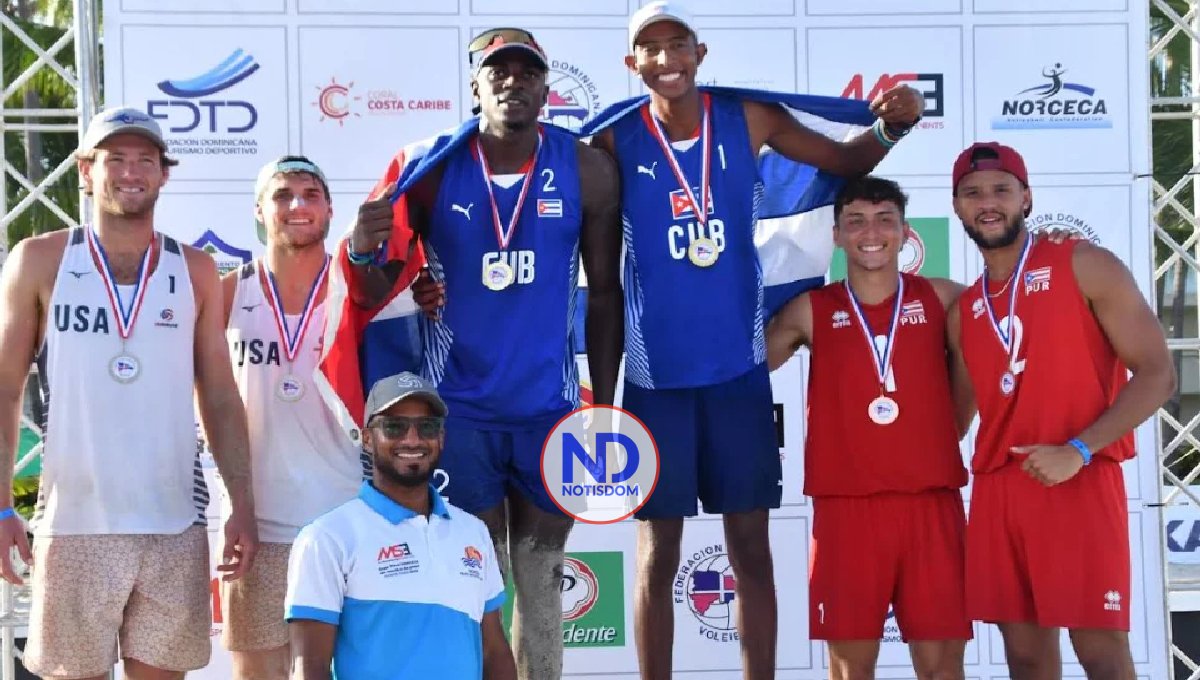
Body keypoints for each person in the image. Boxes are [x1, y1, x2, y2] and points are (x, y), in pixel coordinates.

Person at [577, 3, 924, 677]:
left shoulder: (750, 119)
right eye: (651, 49)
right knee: (658, 556)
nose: (667, 58)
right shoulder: (614, 142)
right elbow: (589, 264)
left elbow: (846, 160)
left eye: (678, 44)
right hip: (656, 383)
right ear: (632, 65)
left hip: (738, 373)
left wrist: (892, 126)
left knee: (751, 552)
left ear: (700, 52)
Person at [341, 27, 623, 680]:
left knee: (544, 582)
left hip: (549, 409)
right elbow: (379, 287)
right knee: (476, 584)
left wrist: (604, 409)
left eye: (526, 72)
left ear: (546, 87)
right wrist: (362, 249)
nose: (512, 82)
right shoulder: (434, 167)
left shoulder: (586, 168)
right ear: (476, 85)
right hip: (459, 411)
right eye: (498, 71)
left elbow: (604, 293)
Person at [0, 106, 258, 679]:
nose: (131, 172)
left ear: (164, 174)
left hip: (173, 526)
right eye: (115, 159)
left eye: (145, 159)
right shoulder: (40, 259)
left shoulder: (193, 269)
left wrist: (241, 500)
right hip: (75, 525)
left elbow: (218, 393)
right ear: (86, 171)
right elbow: (5, 390)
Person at [947, 142, 1175, 679]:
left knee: (1102, 654)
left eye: (1002, 190)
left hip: (1077, 478)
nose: (988, 203)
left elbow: (1159, 375)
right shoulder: (965, 310)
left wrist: (1078, 449)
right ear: (956, 206)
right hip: (1000, 490)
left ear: (1026, 198)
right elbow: (954, 421)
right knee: (1025, 659)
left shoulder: (1083, 263)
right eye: (972, 193)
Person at [766, 176, 970, 680]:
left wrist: (953, 426)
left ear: (905, 232)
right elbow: (745, 366)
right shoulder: (810, 310)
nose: (870, 232)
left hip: (931, 503)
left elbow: (1014, 319)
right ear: (836, 235)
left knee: (942, 664)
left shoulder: (946, 299)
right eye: (855, 221)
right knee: (850, 668)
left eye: (884, 220)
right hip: (846, 509)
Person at [219, 156, 367, 679]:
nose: (297, 205)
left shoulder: (361, 291)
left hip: (348, 522)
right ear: (260, 209)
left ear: (330, 208)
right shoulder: (225, 293)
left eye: (311, 193)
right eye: (282, 195)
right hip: (257, 524)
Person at [286, 371, 516, 680]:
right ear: (368, 439)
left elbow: (494, 652)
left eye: (427, 427)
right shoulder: (327, 538)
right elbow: (308, 669)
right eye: (394, 427)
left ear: (441, 438)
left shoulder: (472, 532)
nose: (412, 439)